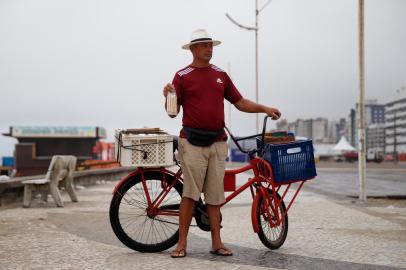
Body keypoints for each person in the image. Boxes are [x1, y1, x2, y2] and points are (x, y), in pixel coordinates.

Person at [163, 29, 281, 258]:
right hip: (192, 143)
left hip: (218, 142)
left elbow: (240, 102)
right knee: (190, 194)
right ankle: (181, 244)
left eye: (211, 45)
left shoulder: (221, 75)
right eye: (205, 45)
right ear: (194, 49)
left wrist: (265, 108)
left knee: (215, 197)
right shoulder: (182, 76)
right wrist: (166, 95)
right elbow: (172, 112)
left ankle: (217, 242)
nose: (209, 49)